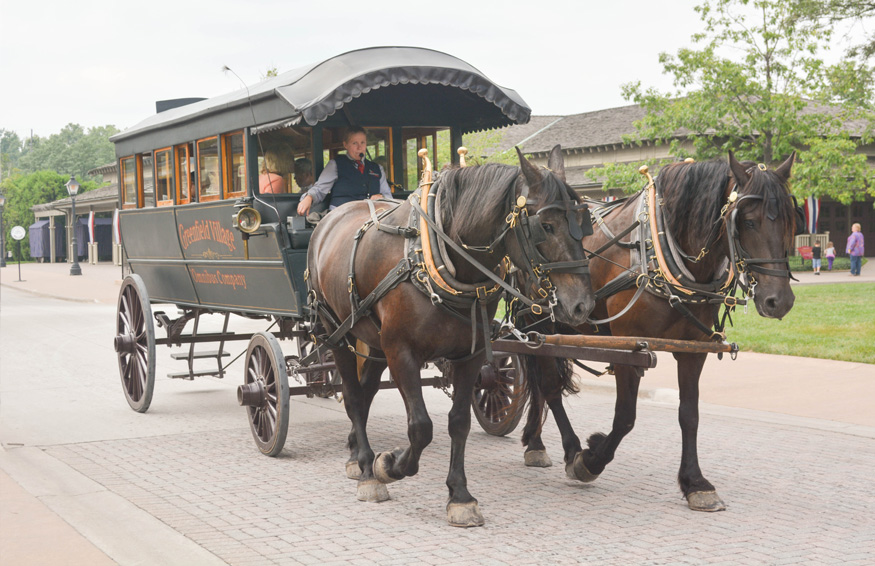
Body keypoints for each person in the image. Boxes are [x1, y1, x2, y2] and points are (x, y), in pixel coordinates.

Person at [296, 126, 392, 218]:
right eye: (355, 143)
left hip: (370, 218)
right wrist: (309, 197)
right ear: (345, 145)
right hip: (341, 217)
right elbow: (320, 189)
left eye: (362, 143)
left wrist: (381, 197)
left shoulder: (377, 169)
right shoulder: (335, 165)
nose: (359, 147)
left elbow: (388, 197)